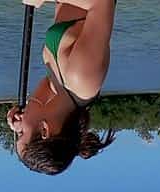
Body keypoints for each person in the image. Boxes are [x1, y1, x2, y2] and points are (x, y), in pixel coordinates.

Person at [8, 0, 116, 175]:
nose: (17, 128)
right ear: (45, 130)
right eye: (21, 134)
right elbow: (103, 3)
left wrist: (22, 120)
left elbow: (38, 102)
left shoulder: (60, 91)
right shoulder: (82, 80)